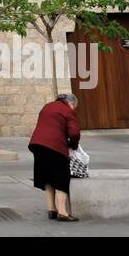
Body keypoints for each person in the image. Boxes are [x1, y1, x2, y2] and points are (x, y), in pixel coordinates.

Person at [28, 93, 81, 222]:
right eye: (74, 106)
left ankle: (51, 209)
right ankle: (63, 212)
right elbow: (74, 133)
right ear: (71, 103)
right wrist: (73, 145)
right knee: (61, 178)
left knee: (47, 176)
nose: (74, 109)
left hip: (37, 145)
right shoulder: (68, 110)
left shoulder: (47, 106)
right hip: (55, 146)